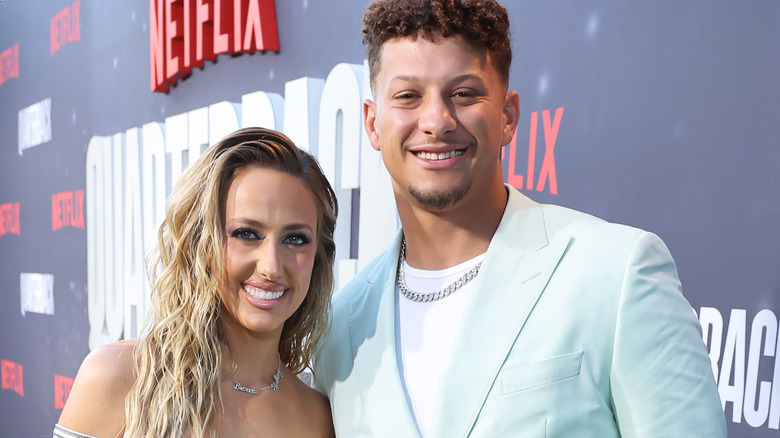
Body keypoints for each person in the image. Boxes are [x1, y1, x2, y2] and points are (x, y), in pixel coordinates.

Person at [313, 1, 727, 437]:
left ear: (508, 116)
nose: (436, 121)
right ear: (373, 123)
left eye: (464, 93)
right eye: (408, 96)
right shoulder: (341, 329)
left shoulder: (618, 273)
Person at [55, 128, 337, 437]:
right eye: (246, 233)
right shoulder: (118, 378)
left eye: (295, 239)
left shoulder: (318, 417)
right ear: (201, 244)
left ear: (318, 256)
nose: (271, 266)